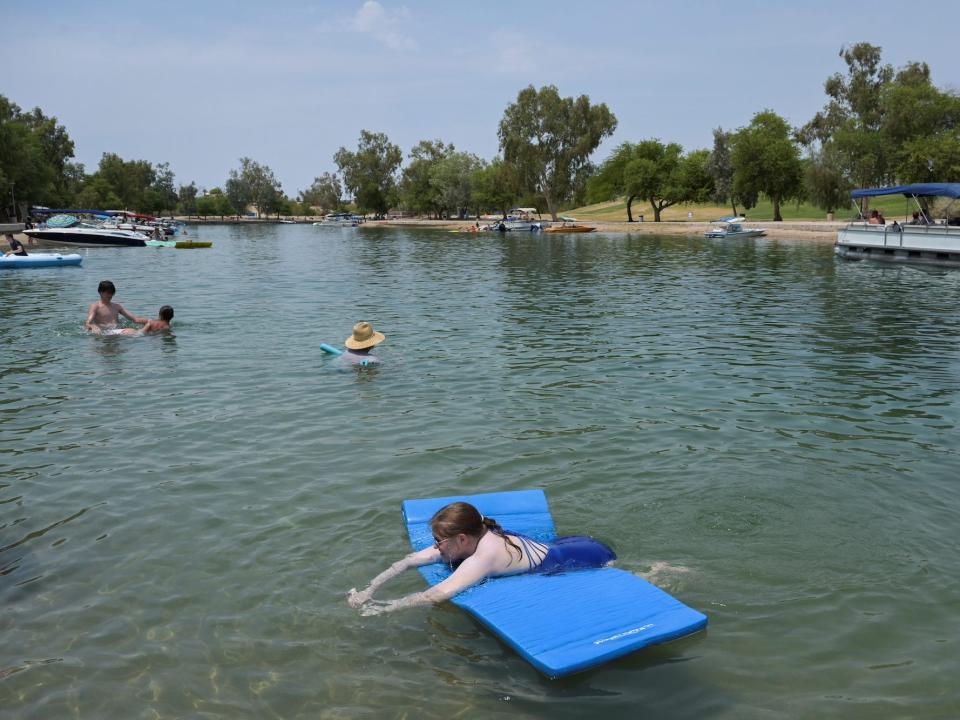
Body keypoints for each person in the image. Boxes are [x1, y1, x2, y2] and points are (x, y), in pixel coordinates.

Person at [348, 501, 616, 615]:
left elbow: (435, 595)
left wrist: (381, 609)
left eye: (439, 542)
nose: (436, 548)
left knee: (617, 575)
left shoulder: (484, 557)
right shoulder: (476, 533)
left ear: (462, 539)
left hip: (587, 558)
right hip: (564, 544)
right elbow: (407, 561)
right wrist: (368, 590)